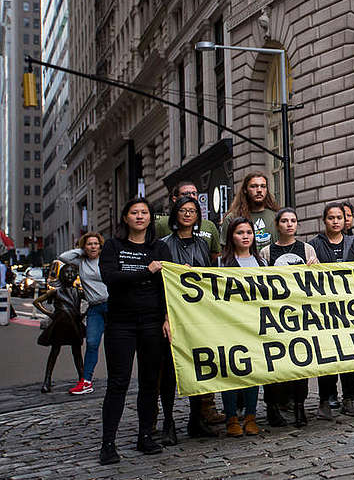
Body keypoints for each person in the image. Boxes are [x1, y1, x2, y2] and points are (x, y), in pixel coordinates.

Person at [98, 197, 173, 465]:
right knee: (118, 382)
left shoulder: (159, 248)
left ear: (150, 218)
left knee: (150, 381)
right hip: (121, 322)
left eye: (144, 212)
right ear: (125, 218)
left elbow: (167, 285)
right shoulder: (113, 246)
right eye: (134, 212)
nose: (139, 216)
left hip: (152, 321)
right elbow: (111, 278)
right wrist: (146, 270)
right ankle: (108, 443)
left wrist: (167, 316)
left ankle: (145, 435)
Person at [160, 196, 219, 442]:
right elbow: (160, 283)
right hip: (173, 314)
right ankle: (168, 422)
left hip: (197, 315)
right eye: (183, 210)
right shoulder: (163, 244)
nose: (187, 214)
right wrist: (164, 315)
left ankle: (197, 419)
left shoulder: (202, 245)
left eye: (192, 211)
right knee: (169, 371)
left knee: (198, 366)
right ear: (175, 214)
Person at [308, 202, 354, 418]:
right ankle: (326, 399)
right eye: (331, 218)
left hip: (351, 310)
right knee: (327, 355)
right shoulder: (314, 245)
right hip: (325, 311)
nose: (335, 221)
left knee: (351, 354)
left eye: (339, 218)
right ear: (324, 220)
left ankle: (350, 398)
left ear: (345, 221)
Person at [259, 207, 317, 428]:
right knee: (274, 362)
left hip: (301, 313)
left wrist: (315, 268)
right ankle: (274, 405)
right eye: (284, 221)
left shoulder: (307, 249)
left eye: (293, 220)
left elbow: (319, 282)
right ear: (277, 225)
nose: (289, 224)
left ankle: (300, 406)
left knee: (301, 362)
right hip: (275, 315)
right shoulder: (266, 252)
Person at [218, 218, 265, 437]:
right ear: (231, 236)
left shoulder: (260, 261)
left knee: (251, 372)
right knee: (231, 372)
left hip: (254, 323)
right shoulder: (222, 262)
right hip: (229, 324)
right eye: (240, 232)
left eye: (249, 232)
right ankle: (231, 418)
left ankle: (251, 416)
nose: (245, 236)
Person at [58, 233, 108, 395]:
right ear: (84, 247)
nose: (93, 247)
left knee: (116, 344)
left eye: (96, 244)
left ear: (101, 246)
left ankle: (119, 379)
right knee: (92, 343)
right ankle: (86, 381)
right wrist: (81, 251)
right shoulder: (80, 261)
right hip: (95, 308)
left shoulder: (107, 259)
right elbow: (63, 257)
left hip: (113, 306)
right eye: (89, 244)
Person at [33, 263, 84, 393]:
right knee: (54, 352)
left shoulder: (78, 292)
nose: (70, 275)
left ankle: (82, 379)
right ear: (61, 275)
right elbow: (37, 302)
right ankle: (47, 379)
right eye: (67, 272)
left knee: (77, 354)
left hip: (74, 325)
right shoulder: (56, 291)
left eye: (73, 273)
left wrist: (83, 314)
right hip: (59, 325)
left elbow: (94, 299)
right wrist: (50, 314)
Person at [154, 181, 222, 261]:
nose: (191, 196)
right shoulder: (162, 226)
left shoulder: (204, 239)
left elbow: (215, 256)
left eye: (194, 193)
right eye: (186, 194)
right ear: (175, 199)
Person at [220, 172, 279, 251]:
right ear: (245, 190)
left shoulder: (277, 217)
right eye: (253, 186)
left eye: (263, 186)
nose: (259, 190)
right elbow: (226, 251)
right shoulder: (232, 218)